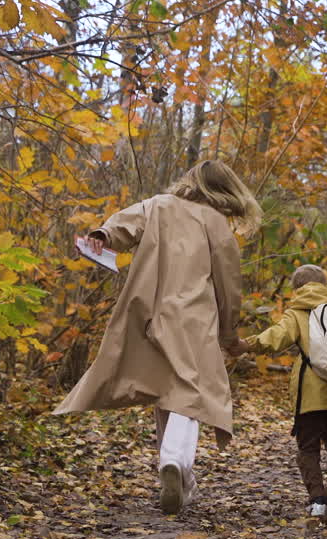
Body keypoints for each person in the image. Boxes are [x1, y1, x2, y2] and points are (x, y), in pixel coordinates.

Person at [54, 160, 261, 516]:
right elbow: (229, 286)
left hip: (148, 310)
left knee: (170, 389)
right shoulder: (216, 224)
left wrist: (102, 236)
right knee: (191, 394)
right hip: (193, 318)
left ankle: (179, 477)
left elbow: (123, 224)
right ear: (225, 190)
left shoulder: (158, 205)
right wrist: (229, 334)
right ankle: (174, 462)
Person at [239, 265, 327, 520]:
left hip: (311, 391)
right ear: (324, 284)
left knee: (308, 446)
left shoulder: (296, 313)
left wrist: (246, 344)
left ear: (297, 288)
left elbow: (274, 338)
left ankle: (318, 500)